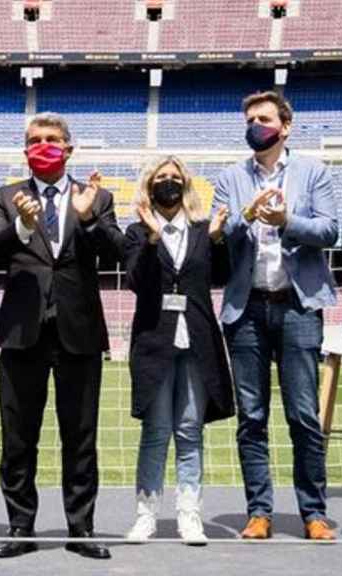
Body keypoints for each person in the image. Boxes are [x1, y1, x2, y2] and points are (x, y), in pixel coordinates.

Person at [0, 112, 123, 559]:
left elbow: (118, 253)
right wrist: (23, 225)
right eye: (36, 140)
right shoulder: (5, 197)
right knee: (18, 437)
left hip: (78, 332)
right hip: (23, 331)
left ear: (69, 148)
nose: (45, 145)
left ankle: (81, 529)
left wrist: (87, 220)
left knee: (80, 436)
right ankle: (21, 527)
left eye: (53, 139)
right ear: (25, 150)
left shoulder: (95, 198)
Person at [211, 90, 338, 541]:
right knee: (252, 415)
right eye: (249, 119)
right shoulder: (229, 177)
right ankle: (259, 511)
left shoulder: (313, 172)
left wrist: (287, 220)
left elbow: (329, 229)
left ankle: (314, 513)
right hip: (246, 309)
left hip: (298, 305)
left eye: (263, 118)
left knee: (303, 414)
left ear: (285, 126)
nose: (255, 125)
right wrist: (244, 218)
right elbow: (219, 232)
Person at [122, 156, 234, 545]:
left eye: (175, 177)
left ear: (186, 185)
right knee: (155, 432)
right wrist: (153, 238)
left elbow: (221, 276)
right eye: (160, 177)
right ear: (149, 184)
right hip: (154, 343)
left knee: (189, 431)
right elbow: (136, 280)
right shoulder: (137, 231)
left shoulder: (204, 230)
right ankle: (146, 514)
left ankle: (189, 515)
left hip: (197, 341)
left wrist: (219, 240)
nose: (168, 183)